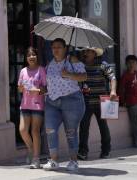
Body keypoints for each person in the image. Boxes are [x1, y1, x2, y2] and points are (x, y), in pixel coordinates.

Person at [42, 38, 87, 171]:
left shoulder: (71, 60)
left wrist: (68, 74)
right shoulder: (49, 64)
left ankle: (73, 161)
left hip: (71, 100)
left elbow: (84, 76)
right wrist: (42, 90)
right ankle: (54, 160)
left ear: (65, 48)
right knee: (50, 130)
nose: (56, 50)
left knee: (71, 132)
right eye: (53, 47)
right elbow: (49, 85)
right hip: (52, 101)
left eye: (59, 47)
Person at [77, 48, 117, 160]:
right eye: (85, 51)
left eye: (88, 51)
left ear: (94, 54)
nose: (85, 53)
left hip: (101, 101)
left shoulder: (103, 65)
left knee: (103, 127)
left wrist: (113, 90)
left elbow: (112, 78)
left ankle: (106, 150)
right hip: (86, 101)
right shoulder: (80, 66)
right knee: (84, 127)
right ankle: (83, 152)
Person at [18, 47, 47, 169]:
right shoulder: (23, 71)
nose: (31, 57)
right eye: (29, 55)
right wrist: (21, 87)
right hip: (25, 105)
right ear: (26, 58)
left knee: (35, 131)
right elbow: (19, 88)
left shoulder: (41, 70)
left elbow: (46, 88)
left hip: (37, 105)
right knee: (23, 130)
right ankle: (31, 148)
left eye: (33, 54)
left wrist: (38, 90)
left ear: (37, 56)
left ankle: (36, 159)